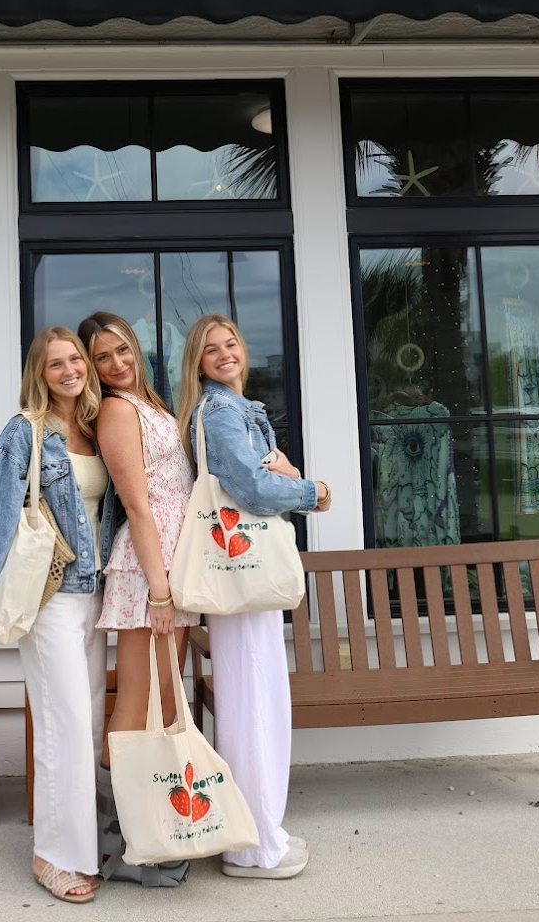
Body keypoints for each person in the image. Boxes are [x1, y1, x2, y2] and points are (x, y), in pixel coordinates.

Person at [0, 327, 112, 905]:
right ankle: (54, 857)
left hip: (94, 594)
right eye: (56, 364)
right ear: (38, 374)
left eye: (76, 360)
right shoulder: (25, 432)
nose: (70, 370)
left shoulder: (96, 429)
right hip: (49, 600)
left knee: (87, 727)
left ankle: (80, 843)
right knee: (63, 724)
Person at [176, 313, 332, 880]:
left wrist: (282, 475)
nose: (224, 354)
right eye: (210, 349)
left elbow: (256, 477)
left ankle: (262, 831)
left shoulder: (237, 410)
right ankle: (253, 846)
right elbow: (251, 486)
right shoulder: (220, 411)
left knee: (258, 700)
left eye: (231, 343)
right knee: (252, 706)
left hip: (243, 573)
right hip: (238, 574)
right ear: (197, 362)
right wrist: (311, 491)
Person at [77, 311, 197, 888]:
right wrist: (160, 591)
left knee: (167, 704)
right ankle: (114, 842)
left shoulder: (148, 402)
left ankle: (149, 829)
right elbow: (139, 505)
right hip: (148, 569)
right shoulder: (118, 411)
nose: (117, 363)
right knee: (136, 704)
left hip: (172, 561)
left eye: (122, 350)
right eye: (102, 357)